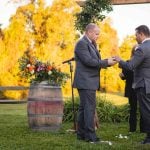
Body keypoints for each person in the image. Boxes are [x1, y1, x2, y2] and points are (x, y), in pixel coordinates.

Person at [73, 23, 117, 143]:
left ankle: (81, 134)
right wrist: (106, 62)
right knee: (89, 109)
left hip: (88, 81)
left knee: (83, 108)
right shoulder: (81, 44)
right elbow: (89, 61)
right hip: (85, 81)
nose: (98, 36)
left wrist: (107, 61)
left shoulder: (91, 44)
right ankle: (90, 136)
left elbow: (95, 61)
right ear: (89, 32)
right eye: (97, 33)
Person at [114, 25, 150, 144]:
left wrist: (119, 60)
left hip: (143, 84)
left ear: (141, 34)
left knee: (146, 111)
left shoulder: (141, 48)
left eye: (136, 35)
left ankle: (149, 138)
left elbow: (130, 66)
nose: (135, 38)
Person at [119, 44, 141, 133]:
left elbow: (124, 76)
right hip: (134, 89)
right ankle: (139, 129)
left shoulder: (128, 63)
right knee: (137, 109)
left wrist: (122, 76)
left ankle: (134, 129)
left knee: (134, 109)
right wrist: (122, 76)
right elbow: (124, 76)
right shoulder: (129, 63)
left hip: (136, 89)